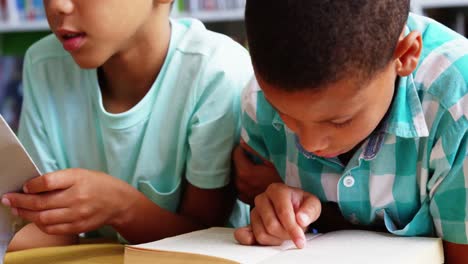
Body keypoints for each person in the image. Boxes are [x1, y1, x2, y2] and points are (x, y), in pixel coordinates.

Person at [1, 0, 252, 251]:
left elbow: (208, 237)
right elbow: (45, 224)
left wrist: (120, 207)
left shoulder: (218, 71)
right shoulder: (44, 64)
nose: (57, 6)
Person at [233, 0, 468, 262]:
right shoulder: (259, 97)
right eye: (284, 114)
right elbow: (257, 193)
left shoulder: (457, 109)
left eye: (339, 121)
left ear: (405, 56)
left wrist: (327, 218)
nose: (309, 144)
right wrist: (282, 214)